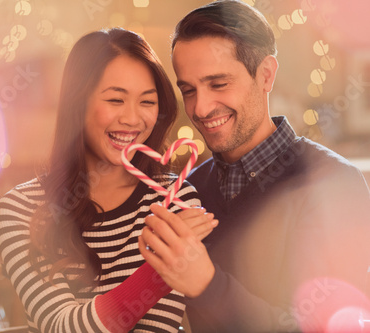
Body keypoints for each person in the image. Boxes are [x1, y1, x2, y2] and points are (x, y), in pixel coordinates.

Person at [138, 0, 370, 332]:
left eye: (218, 84)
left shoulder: (336, 185)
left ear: (265, 75)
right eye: (188, 90)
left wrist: (207, 284)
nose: (201, 108)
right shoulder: (188, 190)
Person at [0, 27, 218, 333]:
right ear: (77, 104)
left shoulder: (175, 202)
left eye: (147, 102)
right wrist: (162, 270)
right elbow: (59, 326)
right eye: (116, 100)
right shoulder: (20, 209)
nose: (133, 119)